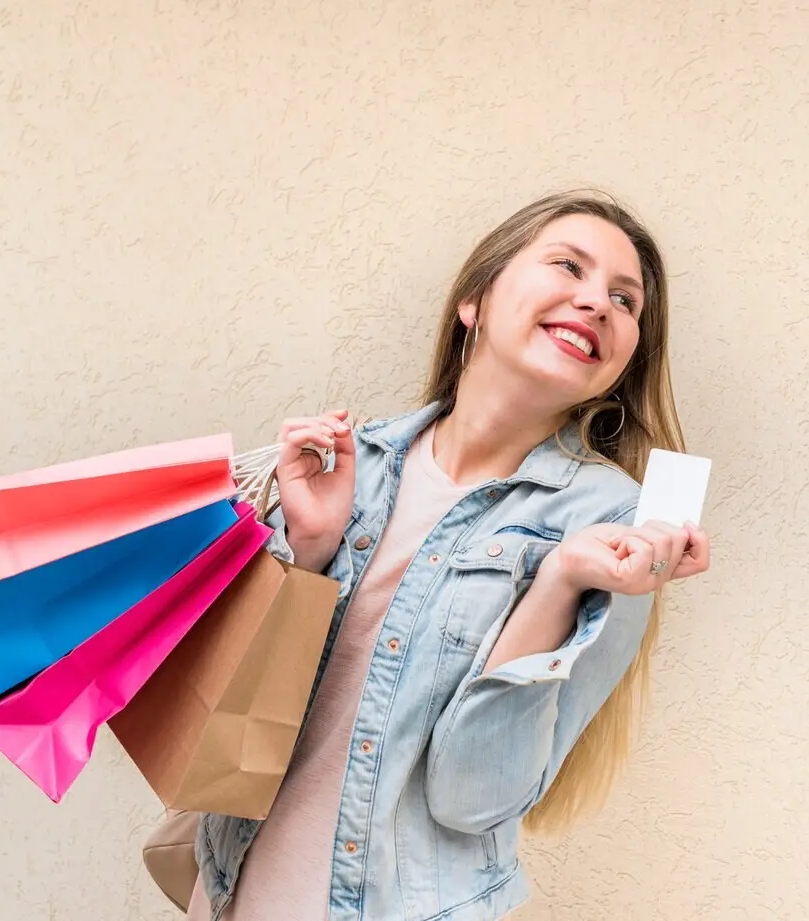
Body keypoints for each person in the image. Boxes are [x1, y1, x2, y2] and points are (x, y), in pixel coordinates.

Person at [185, 190, 712, 921]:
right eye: (569, 266)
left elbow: (476, 800)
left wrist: (557, 581)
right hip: (234, 889)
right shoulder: (347, 464)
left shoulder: (617, 527)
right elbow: (221, 737)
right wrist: (309, 553)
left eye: (626, 301)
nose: (598, 303)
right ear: (475, 299)